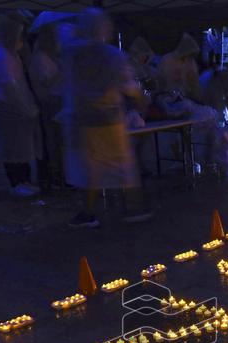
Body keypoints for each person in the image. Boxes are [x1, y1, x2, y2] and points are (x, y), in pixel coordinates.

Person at [60, 9, 151, 228]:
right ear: (104, 28)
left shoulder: (71, 54)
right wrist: (141, 101)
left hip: (81, 119)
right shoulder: (111, 55)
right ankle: (133, 208)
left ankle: (87, 212)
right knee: (122, 163)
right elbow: (128, 85)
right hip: (109, 119)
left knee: (88, 167)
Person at [0, 12, 41, 197]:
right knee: (11, 148)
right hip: (6, 110)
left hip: (16, 110)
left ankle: (23, 181)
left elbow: (18, 85)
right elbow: (9, 87)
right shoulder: (1, 57)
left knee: (21, 148)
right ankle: (16, 183)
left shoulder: (11, 55)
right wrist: (26, 108)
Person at [28, 23, 65, 188]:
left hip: (57, 100)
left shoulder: (49, 56)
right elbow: (45, 81)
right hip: (51, 102)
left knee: (57, 138)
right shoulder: (40, 57)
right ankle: (56, 171)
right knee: (54, 138)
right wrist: (60, 71)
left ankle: (59, 170)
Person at [158, 33, 202, 100]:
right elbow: (160, 79)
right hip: (166, 97)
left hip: (186, 98)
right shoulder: (167, 60)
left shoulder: (191, 63)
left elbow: (194, 84)